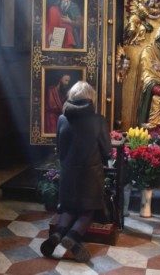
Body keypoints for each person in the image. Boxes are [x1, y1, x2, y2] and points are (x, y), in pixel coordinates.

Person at [40, 81, 111, 263]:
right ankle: (71, 237)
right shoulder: (98, 120)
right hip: (91, 173)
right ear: (90, 99)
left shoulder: (62, 119)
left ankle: (57, 236)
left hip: (68, 173)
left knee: (70, 208)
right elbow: (106, 150)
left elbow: (59, 147)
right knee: (88, 211)